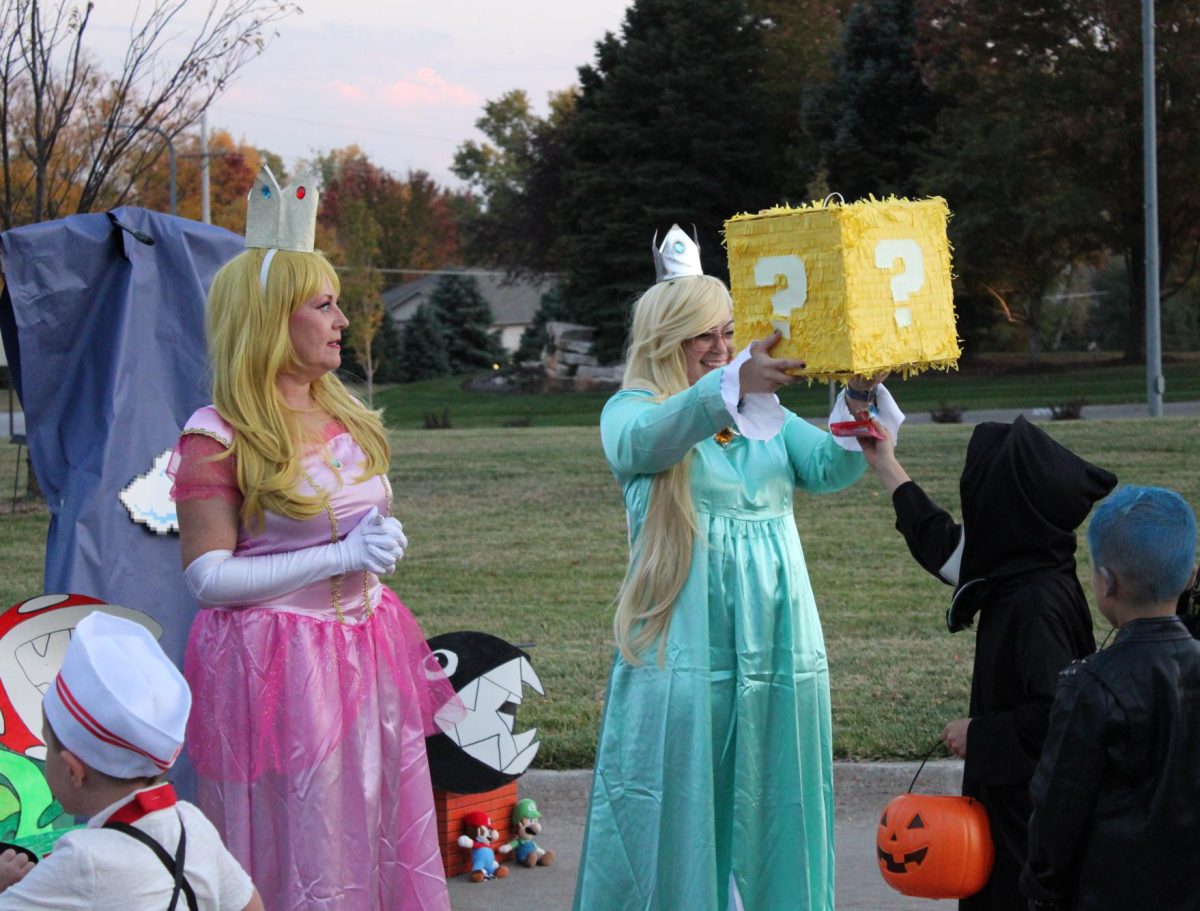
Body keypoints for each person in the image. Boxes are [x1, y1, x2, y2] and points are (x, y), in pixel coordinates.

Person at [572, 226, 899, 911]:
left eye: (727, 332)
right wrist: (728, 386)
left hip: (777, 639)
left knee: (773, 792)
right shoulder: (634, 411)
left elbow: (828, 466)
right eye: (704, 337)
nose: (722, 348)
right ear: (667, 340)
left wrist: (858, 397)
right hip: (686, 643)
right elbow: (647, 442)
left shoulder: (763, 413)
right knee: (686, 796)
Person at [170, 167, 458, 911]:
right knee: (307, 836)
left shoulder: (344, 412)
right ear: (271, 318)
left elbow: (353, 516)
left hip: (364, 642)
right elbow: (205, 579)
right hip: (277, 667)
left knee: (372, 817)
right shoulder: (217, 435)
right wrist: (340, 555)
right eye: (323, 304)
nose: (340, 319)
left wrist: (374, 547)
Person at [860, 416, 1117, 910]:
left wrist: (979, 732)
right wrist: (886, 463)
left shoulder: (1035, 605)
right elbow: (942, 544)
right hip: (1009, 811)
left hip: (1026, 829)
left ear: (1001, 508)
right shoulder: (1026, 561)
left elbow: (1055, 720)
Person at [0, 611, 265, 910]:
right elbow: (250, 905)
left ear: (74, 770)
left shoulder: (83, 860)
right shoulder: (191, 823)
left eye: (47, 744)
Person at [1019, 485, 1200, 911]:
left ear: (1105, 582)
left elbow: (1056, 813)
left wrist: (1041, 890)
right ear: (1191, 574)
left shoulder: (1090, 686)